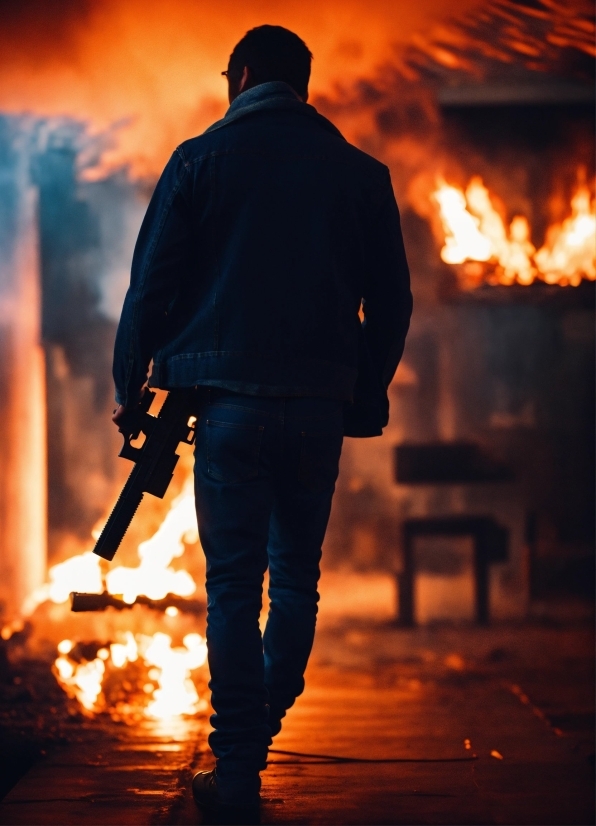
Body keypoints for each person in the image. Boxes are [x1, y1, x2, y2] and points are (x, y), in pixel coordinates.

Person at [112, 24, 412, 825]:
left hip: (227, 411)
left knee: (233, 589)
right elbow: (392, 303)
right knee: (297, 581)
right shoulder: (361, 175)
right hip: (317, 409)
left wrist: (129, 383)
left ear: (240, 77)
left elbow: (150, 288)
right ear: (302, 86)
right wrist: (363, 390)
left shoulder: (198, 162)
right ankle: (251, 739)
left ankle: (239, 761)